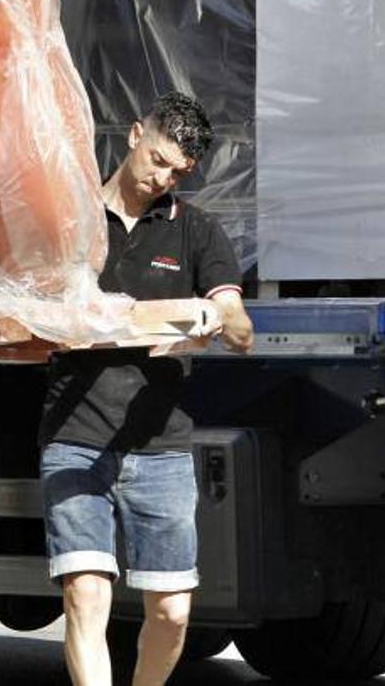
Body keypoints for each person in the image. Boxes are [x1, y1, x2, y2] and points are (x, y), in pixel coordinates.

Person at [39, 92, 253, 686]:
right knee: (85, 595)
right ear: (135, 135)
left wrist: (214, 319)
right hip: (76, 436)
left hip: (160, 445)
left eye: (178, 172)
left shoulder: (196, 232)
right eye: (158, 160)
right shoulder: (72, 221)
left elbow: (240, 327)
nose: (163, 178)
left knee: (173, 611)